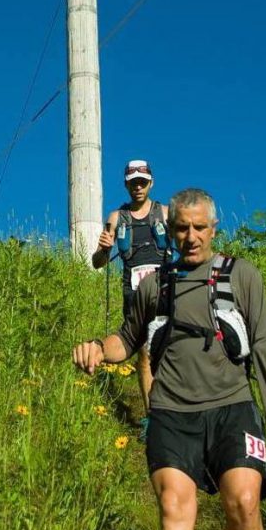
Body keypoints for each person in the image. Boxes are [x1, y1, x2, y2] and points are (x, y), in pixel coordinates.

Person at [72, 187, 266, 530]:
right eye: (182, 229)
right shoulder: (157, 284)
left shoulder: (243, 276)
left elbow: (262, 345)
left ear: (214, 229)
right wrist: (94, 349)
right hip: (171, 411)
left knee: (244, 504)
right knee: (175, 508)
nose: (190, 237)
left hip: (232, 408)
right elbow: (127, 339)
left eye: (200, 228)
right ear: (170, 232)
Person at [91, 160, 170, 425]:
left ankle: (175, 414)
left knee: (170, 354)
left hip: (166, 294)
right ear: (126, 184)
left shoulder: (165, 214)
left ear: (151, 183)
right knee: (145, 354)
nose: (138, 186)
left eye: (142, 181)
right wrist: (104, 249)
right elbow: (98, 263)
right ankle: (153, 421)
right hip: (134, 299)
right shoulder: (116, 218)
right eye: (133, 182)